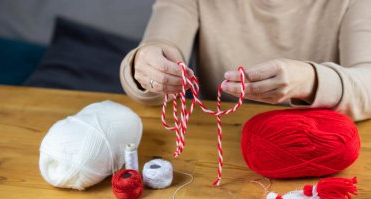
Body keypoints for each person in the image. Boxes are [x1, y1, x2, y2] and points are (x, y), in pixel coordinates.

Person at [120, 0, 371, 122]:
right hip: (224, 140)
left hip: (321, 147)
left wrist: (312, 81)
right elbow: (158, 48)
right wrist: (144, 68)